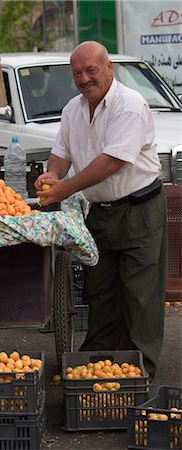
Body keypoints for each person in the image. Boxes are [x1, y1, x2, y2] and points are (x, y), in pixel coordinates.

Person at [35, 41, 167, 380]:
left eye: (91, 70)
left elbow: (112, 161)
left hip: (139, 208)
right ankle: (99, 362)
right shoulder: (72, 109)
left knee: (140, 294)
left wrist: (66, 188)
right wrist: (53, 175)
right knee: (100, 289)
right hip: (101, 212)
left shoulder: (130, 105)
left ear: (109, 68)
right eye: (77, 72)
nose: (84, 78)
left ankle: (140, 370)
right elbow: (61, 152)